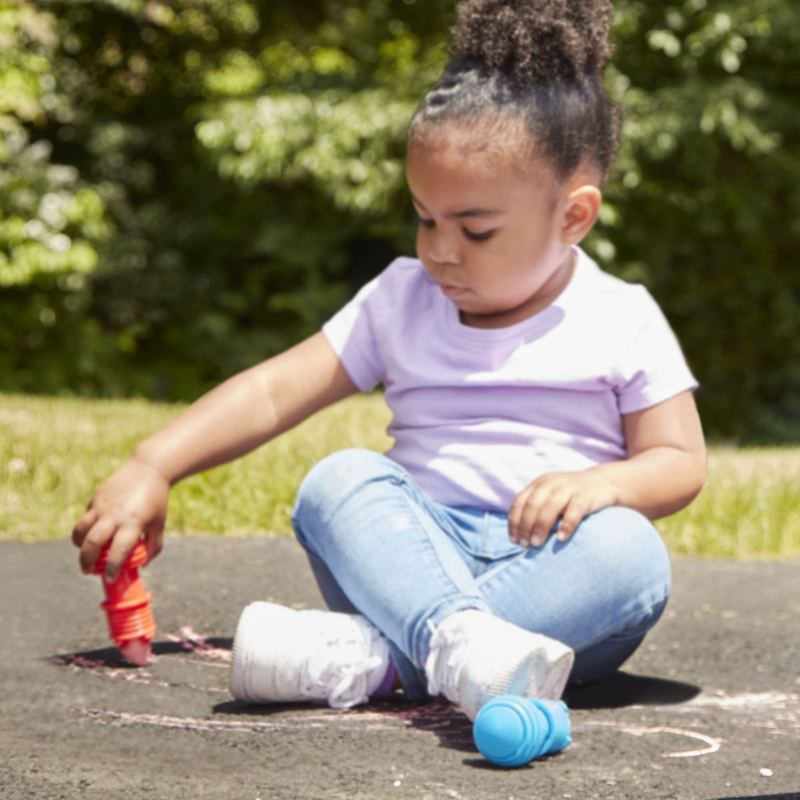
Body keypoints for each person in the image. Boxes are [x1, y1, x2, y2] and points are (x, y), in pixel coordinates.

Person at [72, 0, 706, 722]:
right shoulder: (402, 298)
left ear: (574, 216)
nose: (438, 248)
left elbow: (679, 463)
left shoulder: (621, 316)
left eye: (476, 229)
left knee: (631, 552)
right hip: (406, 559)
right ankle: (454, 650)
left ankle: (377, 658)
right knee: (339, 479)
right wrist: (152, 466)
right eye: (425, 216)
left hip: (551, 585)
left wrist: (603, 484)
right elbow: (276, 391)